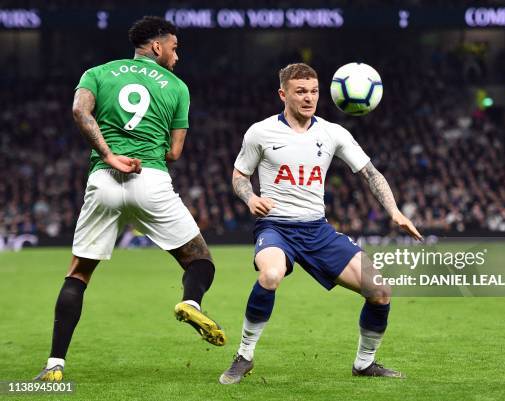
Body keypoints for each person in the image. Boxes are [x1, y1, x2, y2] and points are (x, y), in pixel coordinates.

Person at [34, 16, 226, 382]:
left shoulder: (98, 72)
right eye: (173, 47)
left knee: (78, 273)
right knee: (199, 260)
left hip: (104, 179)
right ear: (156, 46)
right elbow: (175, 152)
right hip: (150, 178)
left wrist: (108, 153)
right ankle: (191, 302)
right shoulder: (177, 87)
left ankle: (55, 366)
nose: (177, 55)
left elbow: (79, 110)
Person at [219, 63, 422, 384]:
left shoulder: (333, 133)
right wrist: (250, 198)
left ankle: (364, 364)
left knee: (380, 290)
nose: (309, 97)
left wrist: (394, 211)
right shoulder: (260, 132)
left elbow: (371, 173)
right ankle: (244, 356)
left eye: (313, 91)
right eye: (300, 91)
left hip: (317, 231)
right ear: (282, 94)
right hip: (276, 228)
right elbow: (239, 176)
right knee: (270, 274)